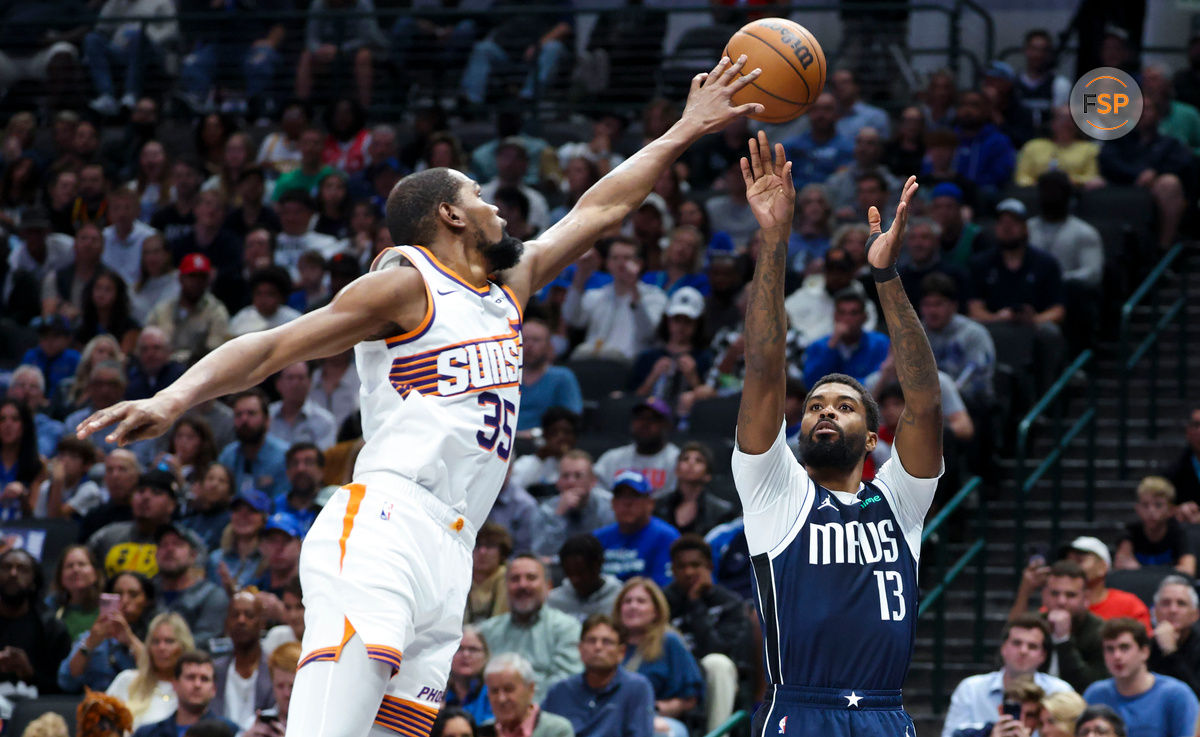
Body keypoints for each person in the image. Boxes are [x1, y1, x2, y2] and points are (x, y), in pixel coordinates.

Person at [77, 56, 761, 737]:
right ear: (449, 214)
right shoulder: (407, 283)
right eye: (481, 196)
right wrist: (173, 396)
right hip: (386, 526)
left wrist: (684, 131)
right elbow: (271, 347)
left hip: (451, 553)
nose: (497, 206)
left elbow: (603, 205)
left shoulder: (505, 291)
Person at [732, 131, 942, 735]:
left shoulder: (899, 502)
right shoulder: (774, 488)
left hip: (885, 712)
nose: (825, 412)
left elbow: (924, 404)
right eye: (816, 404)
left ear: (874, 437)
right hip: (800, 708)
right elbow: (765, 366)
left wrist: (887, 278)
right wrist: (774, 240)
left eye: (845, 406)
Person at [663, 535, 748, 732]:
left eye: (695, 565)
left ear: (709, 566)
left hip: (715, 680)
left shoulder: (729, 603)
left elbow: (722, 652)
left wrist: (696, 605)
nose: (689, 571)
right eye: (682, 566)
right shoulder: (662, 603)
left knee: (717, 663)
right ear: (673, 570)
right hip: (674, 678)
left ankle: (716, 733)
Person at [942, 615, 1073, 736]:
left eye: (1032, 646)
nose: (1023, 651)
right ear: (1003, 648)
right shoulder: (971, 689)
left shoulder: (1060, 691)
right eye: (1017, 643)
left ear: (1043, 655)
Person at [477, 555, 583, 701]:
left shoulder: (567, 628)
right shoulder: (487, 631)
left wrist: (522, 709)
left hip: (545, 716)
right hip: (491, 714)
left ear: (549, 586)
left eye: (531, 578)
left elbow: (567, 684)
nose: (522, 585)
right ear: (506, 587)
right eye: (515, 579)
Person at [612, 578, 704, 737]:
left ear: (656, 611)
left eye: (641, 601)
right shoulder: (607, 641)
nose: (633, 606)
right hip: (609, 718)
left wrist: (651, 711)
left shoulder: (670, 641)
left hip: (658, 720)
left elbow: (689, 700)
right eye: (627, 601)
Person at [1082, 617, 1200, 737]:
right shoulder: (1095, 694)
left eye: (1124, 647)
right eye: (1110, 649)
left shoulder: (1176, 695)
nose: (1116, 656)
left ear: (1144, 652)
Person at [542, 614, 656, 737]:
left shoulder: (637, 688)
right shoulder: (560, 691)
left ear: (621, 652)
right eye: (591, 641)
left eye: (607, 642)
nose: (598, 647)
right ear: (580, 649)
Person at [1006, 560, 1108, 693]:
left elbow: (1091, 687)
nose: (1061, 601)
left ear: (1086, 598)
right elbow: (1006, 667)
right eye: (1055, 594)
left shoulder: (1099, 631)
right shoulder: (1033, 627)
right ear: (1044, 595)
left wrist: (1063, 640)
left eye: (1070, 595)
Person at [563, 237, 668, 361]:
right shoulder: (597, 295)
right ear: (608, 263)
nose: (620, 263)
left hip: (630, 366)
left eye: (627, 258)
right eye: (615, 258)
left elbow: (649, 333)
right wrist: (581, 274)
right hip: (594, 363)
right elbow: (572, 318)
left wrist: (634, 288)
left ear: (639, 263)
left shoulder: (654, 296)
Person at [59, 570, 156, 693]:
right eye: (118, 594)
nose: (125, 601)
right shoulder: (94, 635)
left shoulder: (156, 637)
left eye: (133, 594)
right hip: (98, 705)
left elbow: (158, 674)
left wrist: (130, 640)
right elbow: (66, 680)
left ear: (146, 601)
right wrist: (89, 644)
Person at [0, 548, 71, 694]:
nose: (13, 574)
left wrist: (29, 673)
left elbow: (63, 689)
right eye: (6, 567)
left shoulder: (52, 628)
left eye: (22, 569)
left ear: (34, 581)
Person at [106, 611, 194, 729]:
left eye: (169, 641)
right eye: (156, 642)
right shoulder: (127, 680)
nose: (161, 648)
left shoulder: (193, 690)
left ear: (183, 646)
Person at [594, 471, 680, 588]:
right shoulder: (597, 539)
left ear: (650, 503)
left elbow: (663, 588)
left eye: (634, 496)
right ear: (613, 503)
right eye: (621, 496)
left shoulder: (666, 537)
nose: (627, 503)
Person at [144, 253, 232, 366]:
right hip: (161, 370)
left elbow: (215, 352)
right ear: (181, 278)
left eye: (202, 277)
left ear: (208, 280)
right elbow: (145, 345)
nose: (197, 282)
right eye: (192, 276)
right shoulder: (162, 310)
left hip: (198, 370)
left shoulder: (216, 311)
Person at [88, 469, 179, 577]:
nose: (145, 497)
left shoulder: (182, 542)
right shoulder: (106, 536)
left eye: (156, 492)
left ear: (171, 505)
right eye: (140, 491)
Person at [132, 650, 240, 737]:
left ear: (214, 689)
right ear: (175, 684)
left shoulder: (230, 731)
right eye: (191, 677)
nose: (197, 684)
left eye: (204, 679)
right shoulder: (147, 733)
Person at [154, 523, 229, 646]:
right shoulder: (147, 593)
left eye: (177, 544)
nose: (169, 549)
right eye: (163, 545)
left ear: (193, 555)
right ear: (156, 555)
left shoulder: (211, 595)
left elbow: (205, 641)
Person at [210, 591, 274, 730]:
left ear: (262, 622)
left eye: (249, 615)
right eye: (235, 615)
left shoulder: (274, 669)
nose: (241, 620)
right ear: (226, 622)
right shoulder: (214, 670)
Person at [801, 290, 891, 388]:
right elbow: (810, 383)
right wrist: (832, 345)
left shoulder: (880, 343)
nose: (847, 318)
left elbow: (883, 379)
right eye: (842, 313)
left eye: (854, 313)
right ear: (835, 316)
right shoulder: (818, 346)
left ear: (864, 317)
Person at [532, 451, 615, 558]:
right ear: (558, 482)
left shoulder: (609, 506)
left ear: (593, 481)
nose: (571, 482)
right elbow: (542, 554)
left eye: (578, 475)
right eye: (565, 476)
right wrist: (559, 515)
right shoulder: (545, 511)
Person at [593, 399, 681, 493]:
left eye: (652, 419)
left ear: (666, 425)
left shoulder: (677, 460)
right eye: (640, 418)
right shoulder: (612, 458)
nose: (644, 424)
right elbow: (595, 491)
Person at [1114, 477, 1196, 576]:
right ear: (1137, 508)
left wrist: (1141, 570)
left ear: (1171, 510)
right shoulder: (1129, 532)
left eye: (1158, 505)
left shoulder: (1181, 532)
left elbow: (1188, 570)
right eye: (1145, 505)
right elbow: (1121, 567)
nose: (1151, 511)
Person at [1065, 537, 1152, 630]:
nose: (1072, 566)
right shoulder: (1057, 602)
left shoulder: (1129, 605)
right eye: (1068, 561)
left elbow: (1143, 641)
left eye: (1079, 560)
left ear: (1103, 567)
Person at [216, 390, 289, 500]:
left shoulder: (284, 456)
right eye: (238, 414)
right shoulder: (227, 455)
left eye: (251, 413)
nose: (244, 419)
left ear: (267, 420)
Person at [483, 652, 575, 737]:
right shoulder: (483, 731)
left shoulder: (556, 730)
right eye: (494, 691)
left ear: (530, 689)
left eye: (508, 690)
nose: (501, 699)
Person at [653, 442, 735, 536]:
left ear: (708, 475)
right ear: (677, 470)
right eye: (685, 459)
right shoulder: (659, 506)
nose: (690, 463)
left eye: (699, 461)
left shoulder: (721, 511)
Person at [547, 534, 623, 622]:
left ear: (598, 566)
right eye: (569, 573)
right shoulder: (554, 601)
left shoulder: (619, 598)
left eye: (581, 573)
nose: (575, 580)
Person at [1148, 575, 1200, 695]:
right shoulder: (1145, 647)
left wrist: (1171, 652)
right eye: (1166, 603)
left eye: (1181, 603)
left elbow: (1195, 694)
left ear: (1195, 614)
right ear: (1155, 611)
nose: (1173, 610)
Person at [268, 365, 336, 451]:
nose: (295, 383)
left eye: (301, 378)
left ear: (310, 382)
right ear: (278, 384)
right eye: (290, 378)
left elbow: (324, 458)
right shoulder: (267, 415)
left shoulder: (325, 420)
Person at [244, 641, 301, 737]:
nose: (286, 694)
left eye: (292, 686)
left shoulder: (320, 723)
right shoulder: (257, 724)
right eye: (280, 686)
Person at [443, 626, 493, 726]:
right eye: (459, 648)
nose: (465, 654)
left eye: (473, 649)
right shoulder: (438, 693)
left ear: (486, 655)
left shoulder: (494, 694)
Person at [468, 523, 512, 625]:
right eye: (476, 544)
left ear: (502, 551)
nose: (482, 551)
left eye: (490, 545)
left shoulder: (510, 579)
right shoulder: (458, 577)